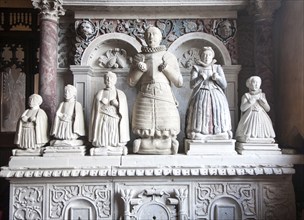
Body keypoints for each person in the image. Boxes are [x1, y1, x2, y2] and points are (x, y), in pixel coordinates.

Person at [128, 26, 183, 154]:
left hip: (164, 94)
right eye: (148, 34)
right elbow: (131, 82)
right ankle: (145, 143)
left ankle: (167, 142)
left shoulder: (168, 56)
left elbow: (179, 82)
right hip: (145, 93)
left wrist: (167, 68)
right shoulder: (139, 57)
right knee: (144, 125)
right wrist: (139, 69)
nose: (151, 37)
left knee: (166, 125)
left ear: (160, 37)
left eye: (154, 34)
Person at [186, 46, 232, 140]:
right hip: (201, 94)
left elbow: (224, 85)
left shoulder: (217, 67)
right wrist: (200, 78)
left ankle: (218, 132)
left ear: (212, 56)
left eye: (209, 55)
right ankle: (200, 132)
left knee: (217, 112)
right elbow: (192, 85)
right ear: (201, 56)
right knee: (201, 112)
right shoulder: (196, 68)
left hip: (216, 95)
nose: (206, 57)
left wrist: (218, 78)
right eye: (204, 55)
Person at [89, 71, 129, 154]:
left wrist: (117, 104)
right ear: (104, 80)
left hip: (114, 119)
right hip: (103, 118)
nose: (108, 80)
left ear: (115, 80)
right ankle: (103, 145)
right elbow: (95, 109)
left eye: (111, 78)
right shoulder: (100, 93)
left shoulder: (120, 94)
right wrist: (99, 102)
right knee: (103, 132)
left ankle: (115, 145)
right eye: (106, 78)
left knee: (113, 133)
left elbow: (124, 110)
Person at [235, 76, 275, 143]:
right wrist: (250, 102)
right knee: (249, 132)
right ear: (249, 84)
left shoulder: (262, 95)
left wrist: (264, 103)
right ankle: (249, 137)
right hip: (250, 117)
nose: (256, 84)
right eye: (254, 82)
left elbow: (268, 109)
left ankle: (264, 138)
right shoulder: (246, 96)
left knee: (263, 131)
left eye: (258, 83)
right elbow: (242, 108)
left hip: (261, 117)